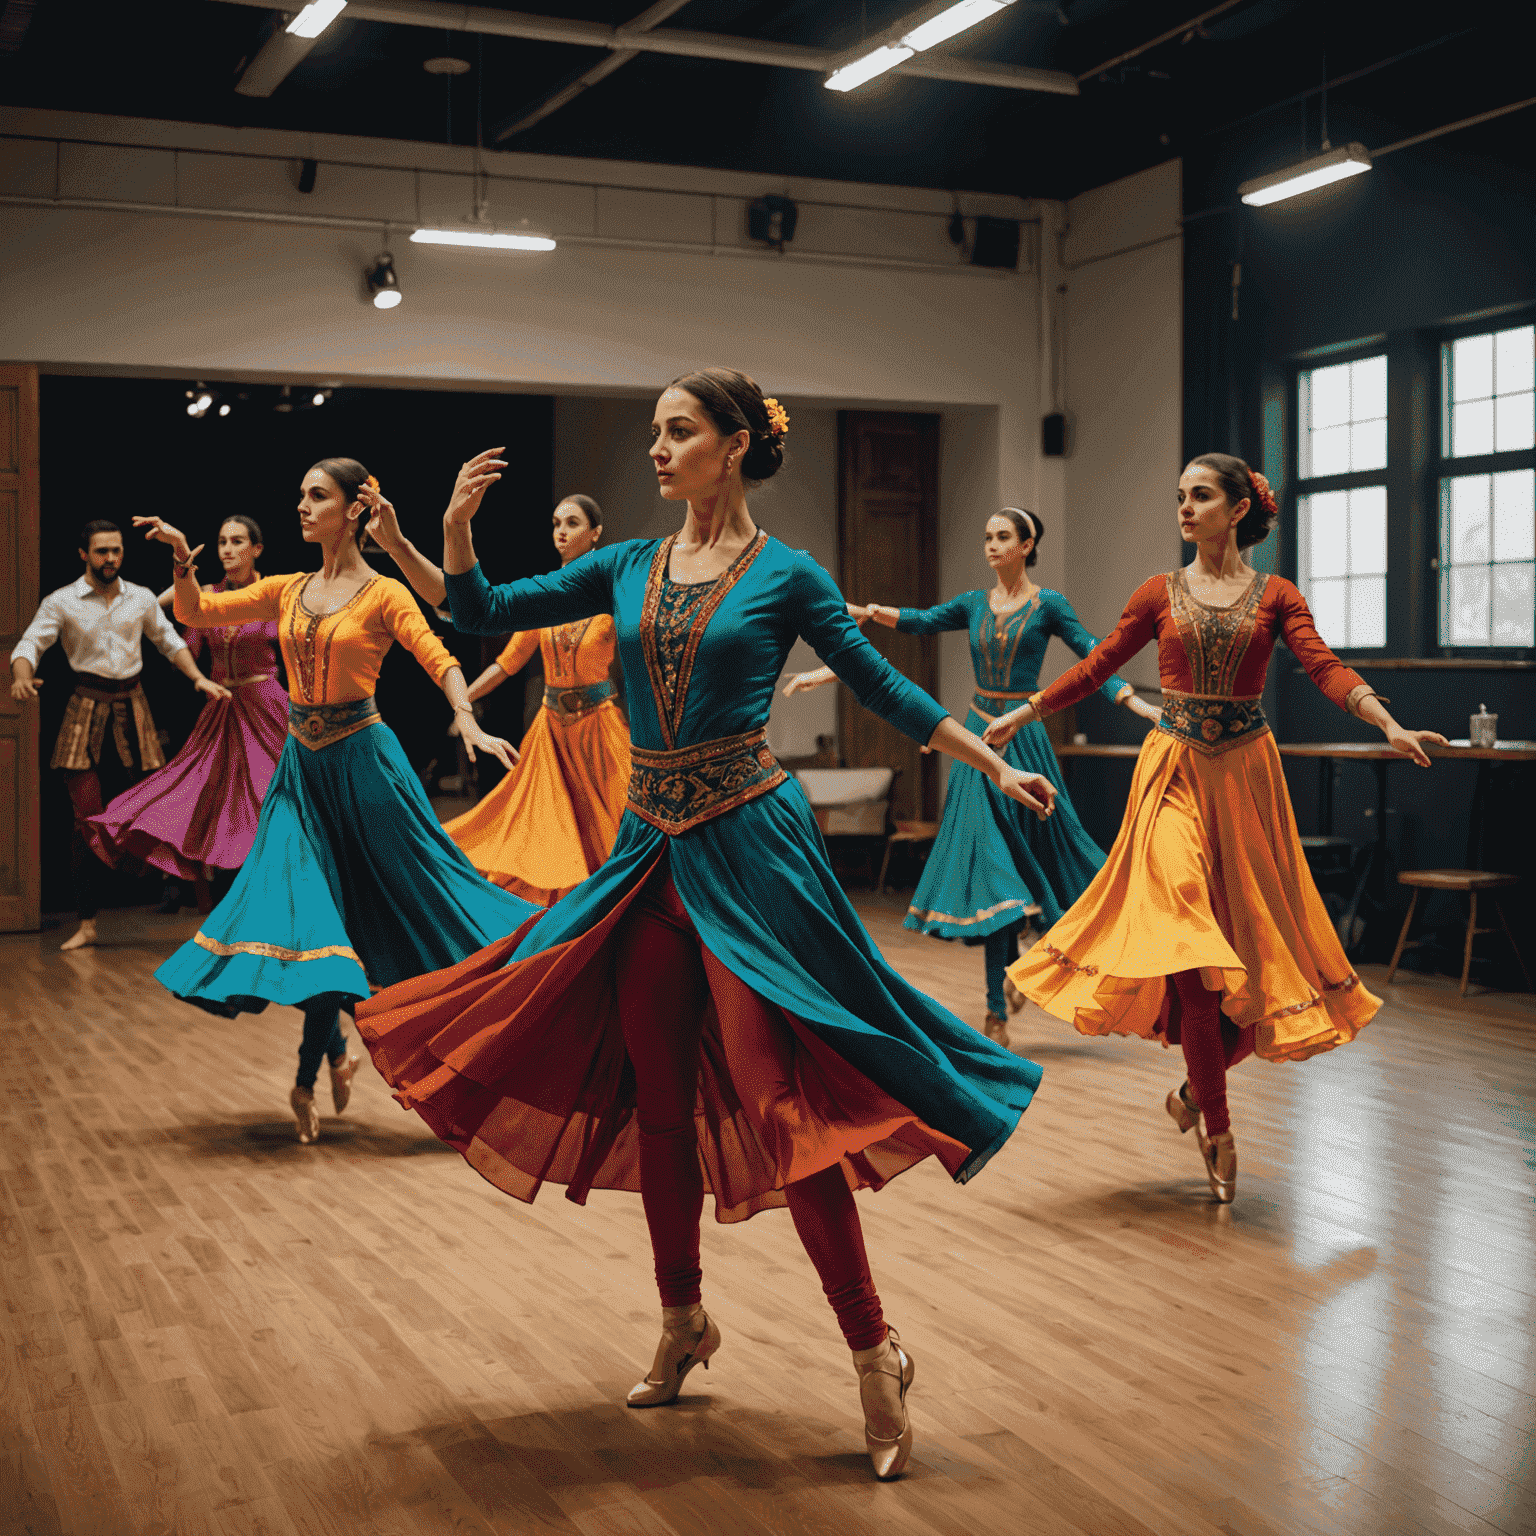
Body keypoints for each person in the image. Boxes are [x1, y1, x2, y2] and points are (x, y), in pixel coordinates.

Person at [356, 371, 1055, 1481]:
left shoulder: (786, 575)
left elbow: (886, 687)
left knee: (781, 1105)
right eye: (653, 433)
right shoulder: (626, 565)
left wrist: (994, 763)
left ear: (733, 446)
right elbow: (482, 610)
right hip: (648, 854)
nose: (657, 449)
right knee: (662, 1102)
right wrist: (438, 533)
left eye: (676, 432)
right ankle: (683, 1320)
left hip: (751, 852)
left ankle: (875, 1351)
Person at [986, 454, 1447, 1203]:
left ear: (1238, 510)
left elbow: (1323, 667)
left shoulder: (1275, 595)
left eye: (1200, 496)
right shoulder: (1158, 592)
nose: (1185, 507)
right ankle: (1222, 1127)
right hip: (1171, 772)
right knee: (1190, 944)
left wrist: (1386, 720)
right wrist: (1024, 710)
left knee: (1250, 965)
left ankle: (1197, 1095)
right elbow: (1100, 664)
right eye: (1180, 496)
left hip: (1244, 779)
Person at [135, 458, 540, 1146]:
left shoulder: (383, 593)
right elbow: (198, 610)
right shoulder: (289, 588)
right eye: (299, 494)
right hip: (301, 770)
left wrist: (466, 716)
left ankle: (496, 1023)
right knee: (312, 920)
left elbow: (438, 656)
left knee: (421, 907)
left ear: (355, 509)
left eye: (316, 496)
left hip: (366, 768)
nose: (301, 506)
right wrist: (180, 556)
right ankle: (306, 1078)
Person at [784, 508, 1161, 1046]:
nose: (991, 545)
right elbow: (920, 621)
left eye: (1002, 536)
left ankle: (1034, 972)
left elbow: (1094, 658)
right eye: (987, 536)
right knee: (993, 876)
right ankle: (995, 1011)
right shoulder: (973, 604)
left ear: (1028, 544)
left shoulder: (1048, 604)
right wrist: (862, 616)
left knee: (1041, 867)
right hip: (977, 743)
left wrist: (1131, 703)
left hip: (1023, 739)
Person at [368, 492, 631, 904]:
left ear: (595, 533)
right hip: (552, 733)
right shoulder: (549, 596)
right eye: (556, 524)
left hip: (598, 729)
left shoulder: (615, 598)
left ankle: (607, 909)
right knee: (547, 833)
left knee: (613, 827)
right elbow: (506, 664)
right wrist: (463, 701)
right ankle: (561, 911)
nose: (561, 532)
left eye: (573, 523)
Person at [9, 519, 229, 950]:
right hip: (85, 707)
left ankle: (192, 901)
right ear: (83, 554)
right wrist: (22, 677)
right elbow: (29, 644)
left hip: (135, 705)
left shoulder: (141, 598)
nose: (110, 559)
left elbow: (170, 641)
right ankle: (88, 922)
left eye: (116, 551)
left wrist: (198, 679)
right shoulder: (63, 601)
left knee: (165, 804)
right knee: (83, 821)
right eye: (101, 552)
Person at [83, 515, 287, 909]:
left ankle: (283, 897)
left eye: (237, 541)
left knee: (272, 799)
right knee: (198, 797)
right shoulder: (206, 593)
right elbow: (163, 614)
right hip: (222, 710)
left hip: (266, 709)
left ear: (256, 549)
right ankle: (225, 903)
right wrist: (178, 564)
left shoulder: (274, 593)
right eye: (222, 541)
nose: (227, 549)